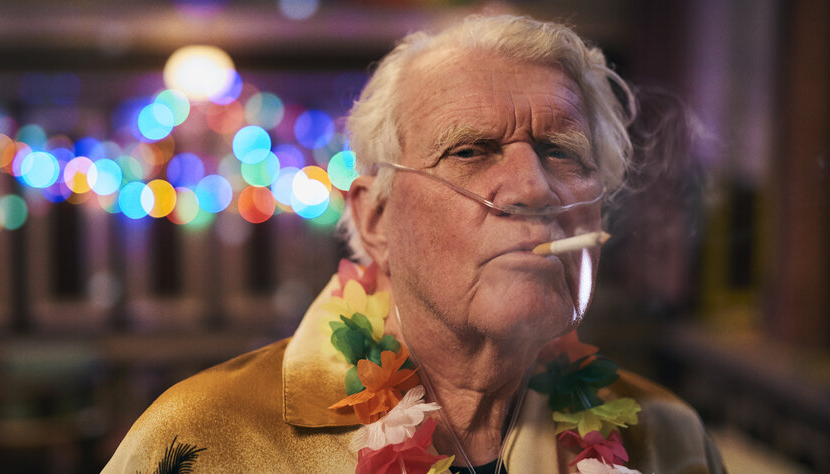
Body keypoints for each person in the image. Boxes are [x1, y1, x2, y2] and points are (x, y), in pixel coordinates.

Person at [103, 15, 724, 474]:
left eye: (561, 151)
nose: (534, 188)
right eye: (470, 151)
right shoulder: (200, 442)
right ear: (376, 218)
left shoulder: (669, 441)